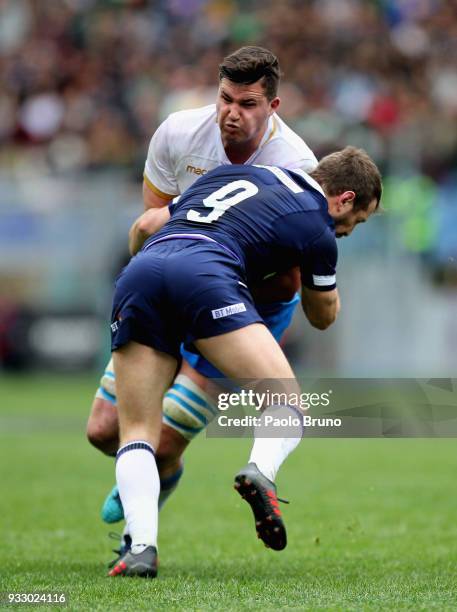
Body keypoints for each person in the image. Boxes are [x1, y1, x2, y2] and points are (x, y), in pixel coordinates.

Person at [107, 146, 382, 577]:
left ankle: (141, 549)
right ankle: (260, 472)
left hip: (141, 273)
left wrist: (144, 269)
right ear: (344, 198)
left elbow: (146, 224)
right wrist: (322, 265)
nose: (348, 229)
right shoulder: (318, 228)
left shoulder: (237, 175)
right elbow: (322, 315)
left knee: (136, 429)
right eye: (355, 221)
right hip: (205, 274)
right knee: (284, 402)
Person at [86, 46, 318, 526]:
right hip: (173, 284)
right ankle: (157, 476)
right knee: (104, 431)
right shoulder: (178, 132)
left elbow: (287, 279)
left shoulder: (294, 164)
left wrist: (214, 283)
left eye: (248, 104)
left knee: (163, 440)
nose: (232, 114)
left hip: (244, 301)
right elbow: (155, 227)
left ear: (273, 107)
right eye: (225, 99)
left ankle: (148, 511)